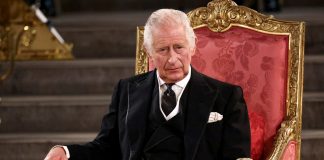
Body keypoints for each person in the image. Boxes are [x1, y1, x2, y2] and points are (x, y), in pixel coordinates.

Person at [44, 9, 251, 160]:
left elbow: (236, 156)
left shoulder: (227, 97)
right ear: (149, 51)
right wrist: (66, 152)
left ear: (193, 46)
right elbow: (106, 147)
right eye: (162, 50)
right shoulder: (126, 90)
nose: (172, 59)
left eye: (179, 47)